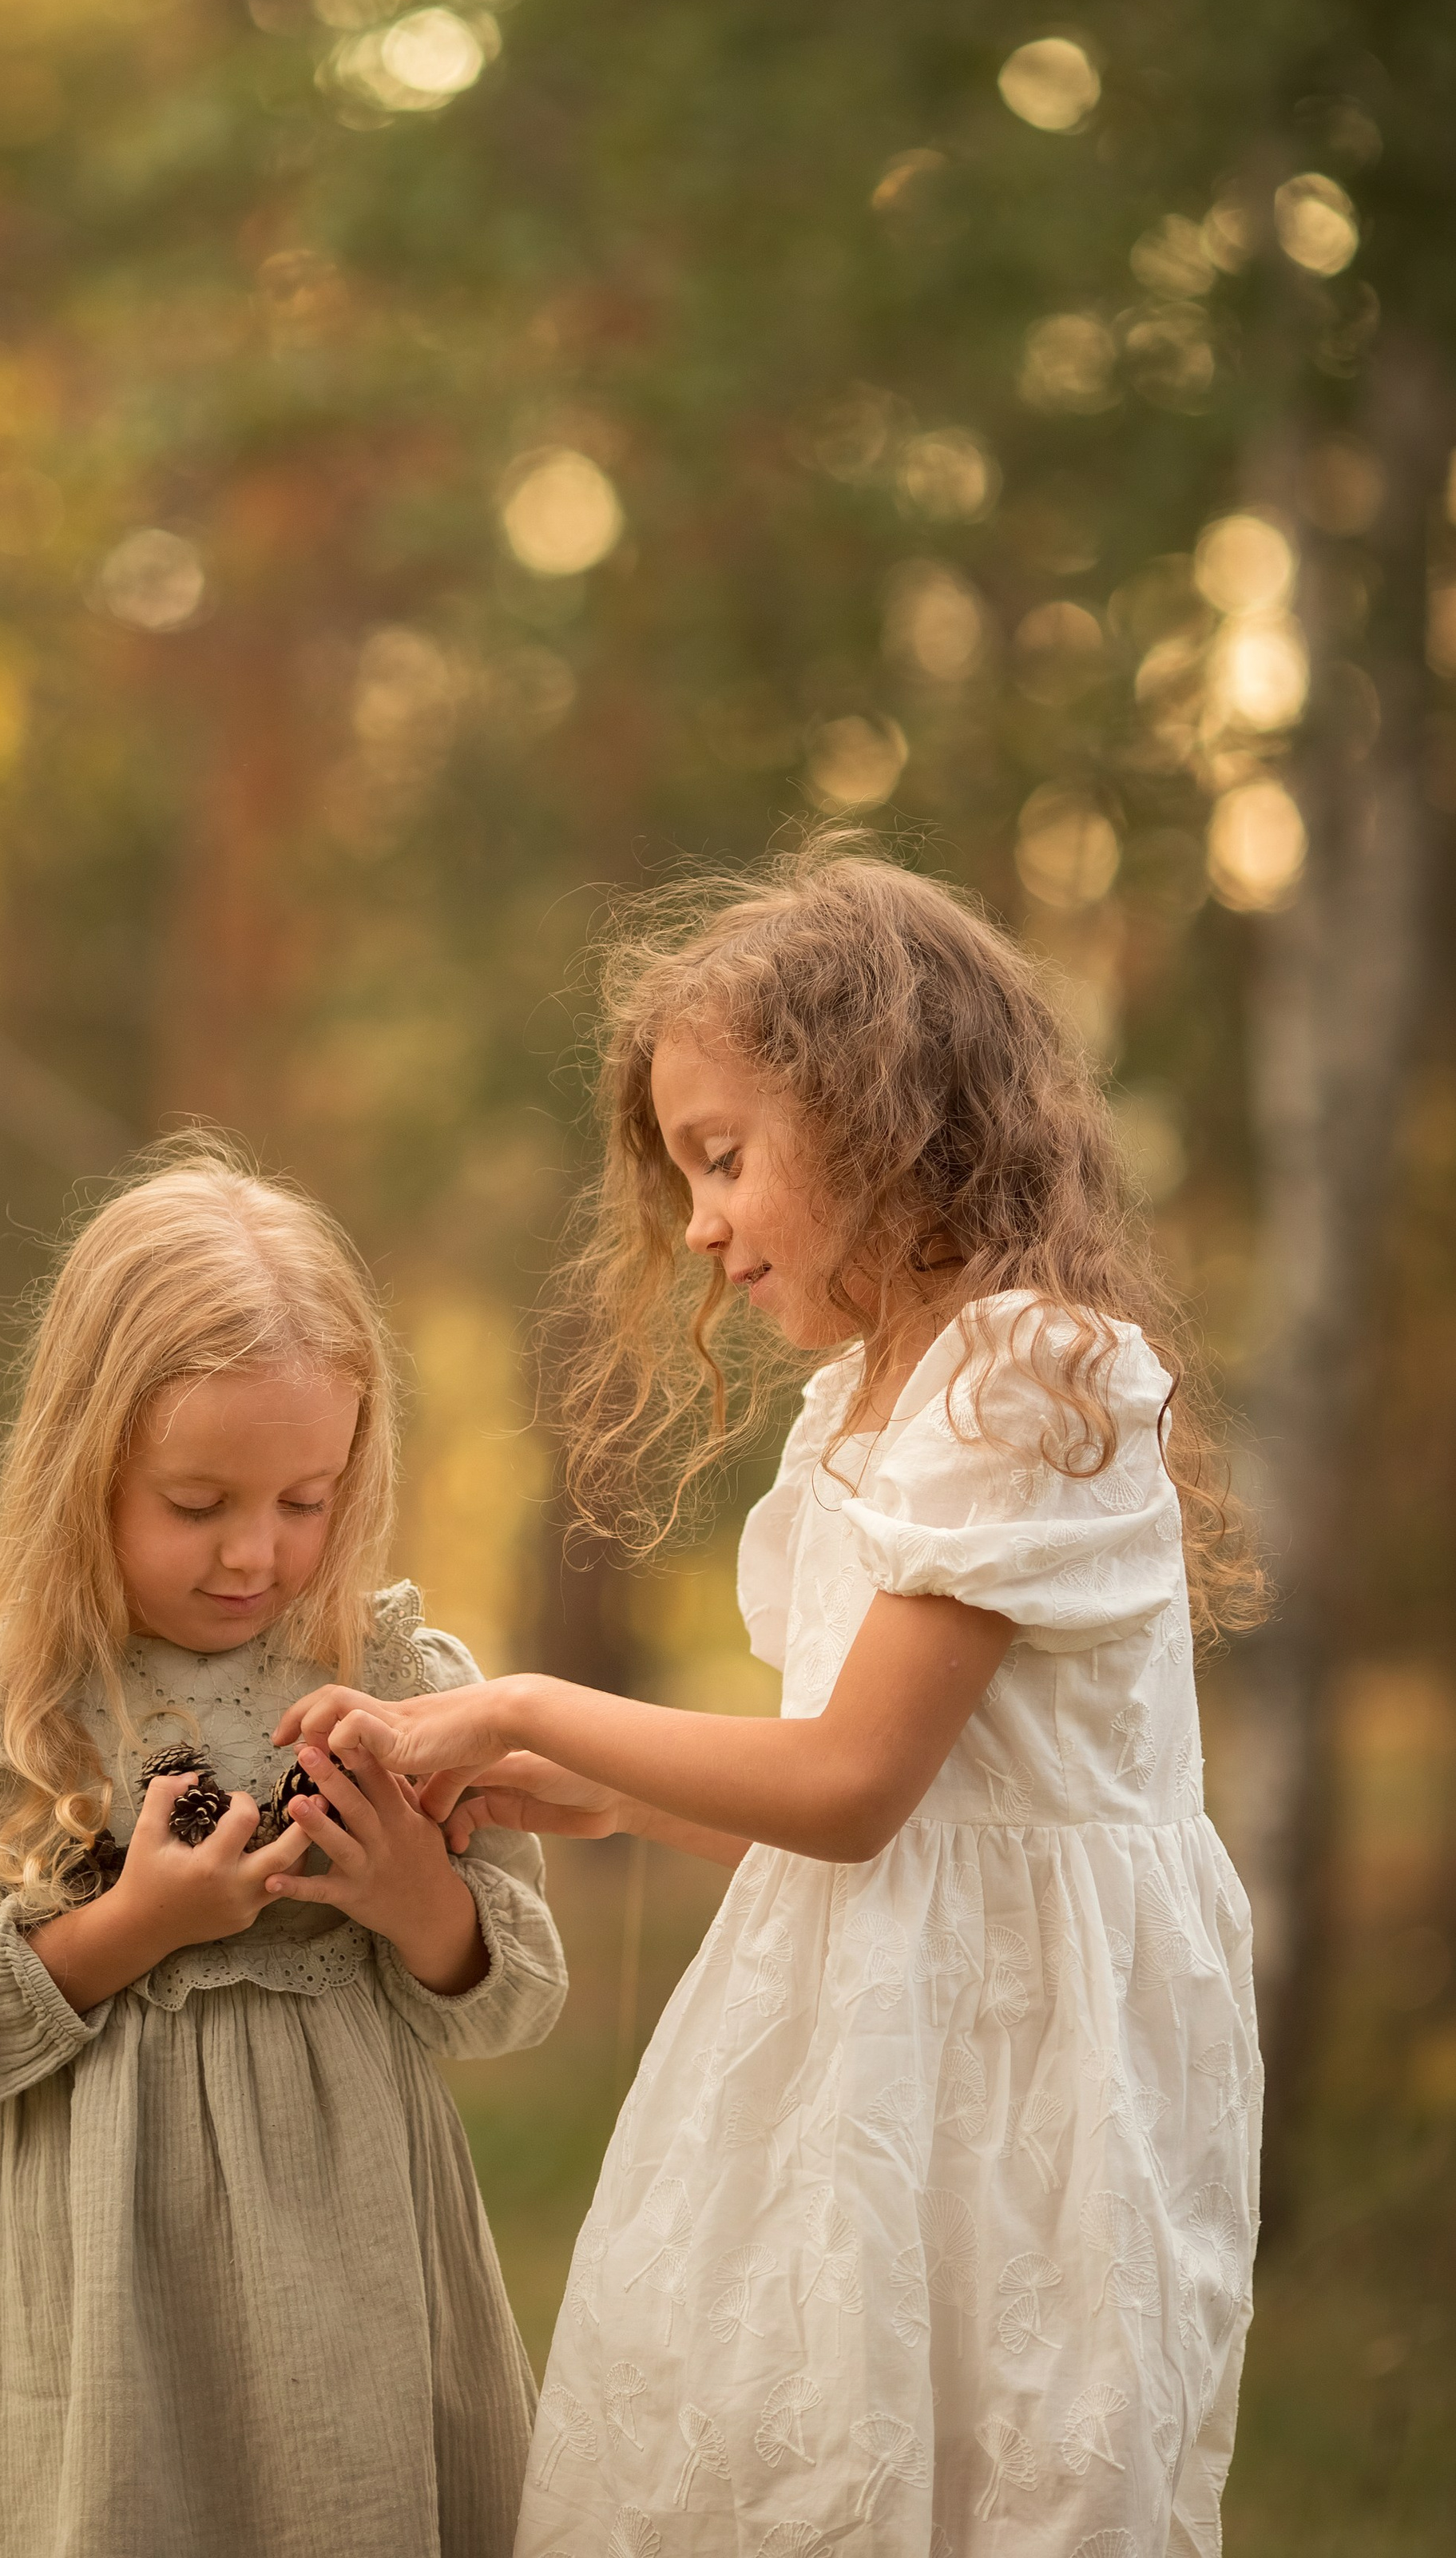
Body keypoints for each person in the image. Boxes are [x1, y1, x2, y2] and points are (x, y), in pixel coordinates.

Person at [285, 848, 1267, 2557]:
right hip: (867, 2034)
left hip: (1016, 2069)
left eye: (724, 1160)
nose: (702, 1225)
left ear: (882, 1113)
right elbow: (860, 1792)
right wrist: (612, 1802)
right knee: (795, 2441)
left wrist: (516, 1713)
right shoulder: (862, 1405)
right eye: (683, 1178)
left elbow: (852, 1789)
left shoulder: (1028, 1374)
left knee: (1000, 2451)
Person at [0, 1147, 565, 2558]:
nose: (256, 1554)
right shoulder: (12, 1700)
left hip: (355, 2252)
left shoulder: (405, 1674)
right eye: (198, 1505)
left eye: (307, 1502)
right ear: (85, 1463)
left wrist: (420, 1899)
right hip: (109, 2265)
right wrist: (134, 1926)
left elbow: (519, 1987)